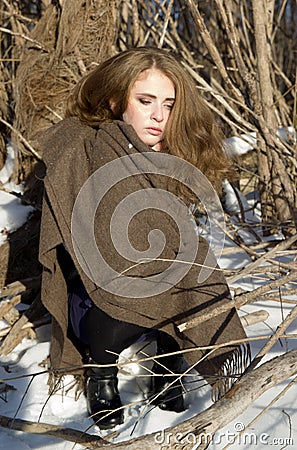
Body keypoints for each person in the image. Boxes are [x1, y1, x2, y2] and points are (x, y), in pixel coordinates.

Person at [37, 47, 250, 430]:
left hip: (158, 280)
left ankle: (168, 365)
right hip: (99, 292)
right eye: (146, 101)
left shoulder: (170, 155)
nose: (158, 116)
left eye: (168, 105)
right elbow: (93, 237)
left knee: (191, 274)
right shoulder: (88, 147)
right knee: (134, 284)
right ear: (116, 100)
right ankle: (101, 374)